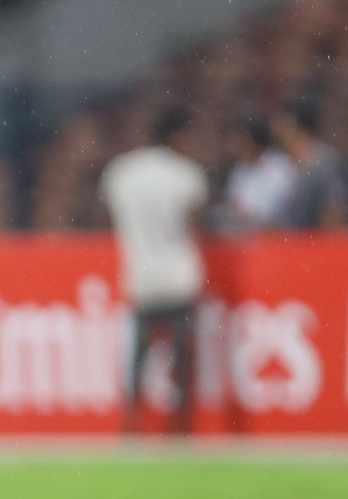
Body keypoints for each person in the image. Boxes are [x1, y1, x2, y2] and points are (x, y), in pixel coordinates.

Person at [99, 106, 209, 434]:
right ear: (176, 136)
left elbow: (112, 217)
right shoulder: (186, 174)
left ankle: (130, 419)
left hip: (140, 273)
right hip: (178, 273)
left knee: (139, 353)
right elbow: (192, 220)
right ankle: (181, 422)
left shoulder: (122, 171)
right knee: (180, 352)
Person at [270, 101, 348, 229]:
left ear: (297, 126)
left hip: (311, 241)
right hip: (283, 241)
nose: (276, 128)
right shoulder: (277, 162)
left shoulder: (323, 160)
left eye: (283, 123)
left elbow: (335, 207)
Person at [220, 120, 296, 230]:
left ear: (253, 142)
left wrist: (253, 215)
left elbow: (283, 205)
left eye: (242, 142)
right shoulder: (239, 171)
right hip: (245, 233)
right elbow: (233, 204)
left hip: (277, 232)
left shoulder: (280, 166)